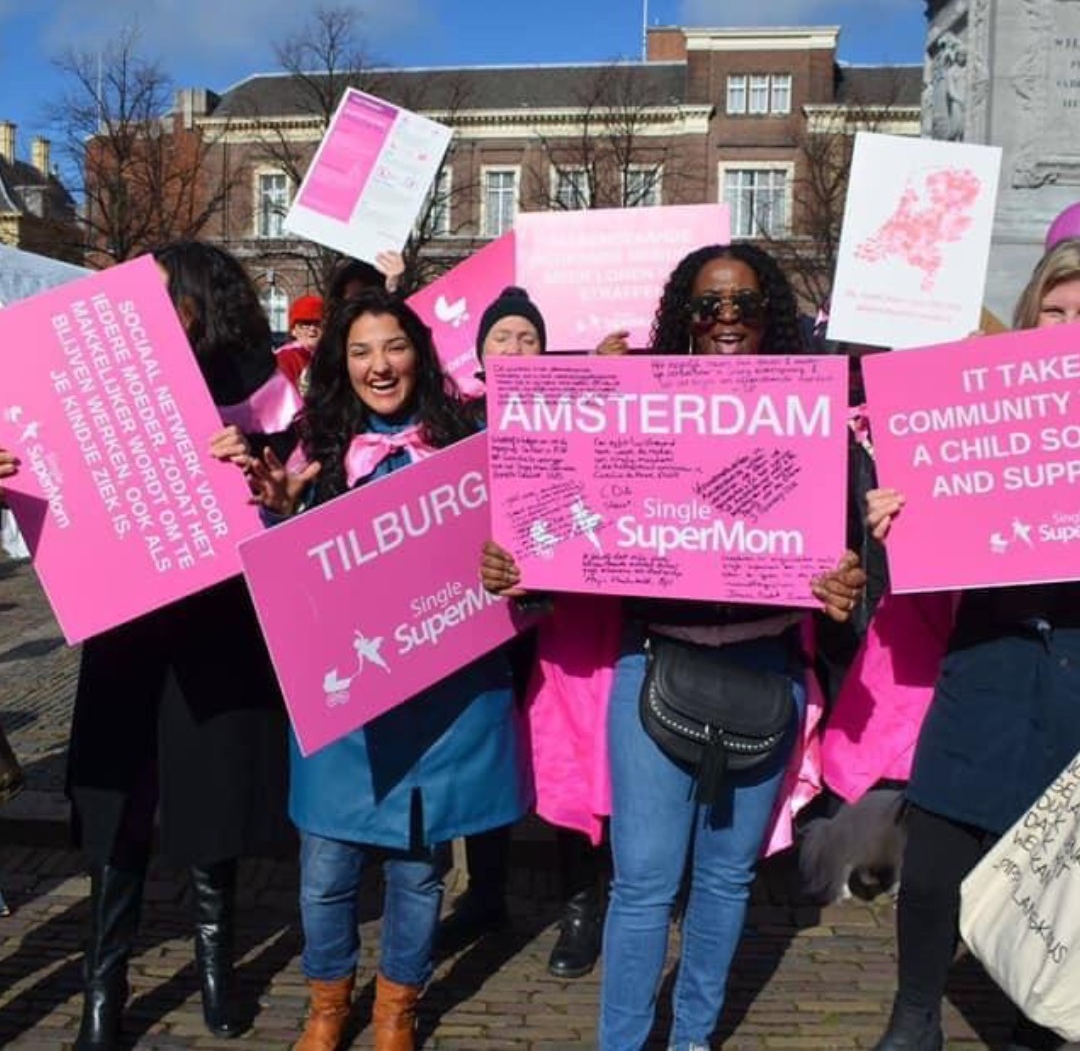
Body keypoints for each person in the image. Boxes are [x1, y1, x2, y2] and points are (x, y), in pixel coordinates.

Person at [483, 242, 864, 1049]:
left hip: (767, 670)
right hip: (654, 665)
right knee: (644, 884)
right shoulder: (633, 406)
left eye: (745, 303)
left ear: (774, 317)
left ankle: (691, 1040)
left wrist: (846, 588)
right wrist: (522, 564)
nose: (726, 317)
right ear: (679, 317)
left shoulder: (817, 426)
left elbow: (852, 565)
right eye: (707, 303)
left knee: (726, 882)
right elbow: (571, 534)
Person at [246, 289, 531, 1051]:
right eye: (362, 350)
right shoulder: (315, 451)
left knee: (418, 872)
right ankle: (327, 1004)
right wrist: (278, 513)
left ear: (420, 354)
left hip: (445, 696)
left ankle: (397, 1009)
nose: (380, 364)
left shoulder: (474, 442)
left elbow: (525, 554)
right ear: (342, 362)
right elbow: (288, 581)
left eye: (394, 346)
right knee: (326, 870)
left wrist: (516, 572)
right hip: (347, 704)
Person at [61, 241, 299, 1050]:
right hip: (127, 625)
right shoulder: (95, 386)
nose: (142, 305)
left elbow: (292, 509)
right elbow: (62, 490)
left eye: (161, 293)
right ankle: (106, 984)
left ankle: (214, 969)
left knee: (212, 800)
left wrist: (254, 474)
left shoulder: (262, 395)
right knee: (117, 806)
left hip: (217, 625)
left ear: (200, 300)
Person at [866, 240, 1080, 1051]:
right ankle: (914, 1014)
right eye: (1053, 312)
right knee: (931, 867)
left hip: (1073, 672)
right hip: (986, 659)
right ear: (1028, 321)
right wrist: (893, 519)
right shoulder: (981, 407)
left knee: (1054, 874)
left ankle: (1034, 1024)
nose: (1067, 326)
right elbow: (937, 544)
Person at [439, 286, 613, 980]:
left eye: (527, 337)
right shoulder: (451, 426)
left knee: (570, 756)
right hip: (483, 619)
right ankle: (485, 892)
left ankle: (582, 905)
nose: (513, 349)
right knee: (487, 750)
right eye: (501, 337)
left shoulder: (578, 416)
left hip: (564, 621)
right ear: (479, 353)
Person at [276, 294, 324, 394]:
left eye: (318, 323)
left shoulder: (328, 355)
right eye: (306, 324)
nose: (313, 329)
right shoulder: (284, 358)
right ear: (294, 330)